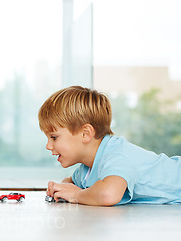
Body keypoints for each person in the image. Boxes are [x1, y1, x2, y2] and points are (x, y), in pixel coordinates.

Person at [39, 85, 181, 206]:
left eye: (54, 137)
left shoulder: (116, 156)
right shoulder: (87, 168)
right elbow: (72, 182)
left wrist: (76, 195)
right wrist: (63, 188)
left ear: (85, 134)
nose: (48, 146)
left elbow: (109, 194)